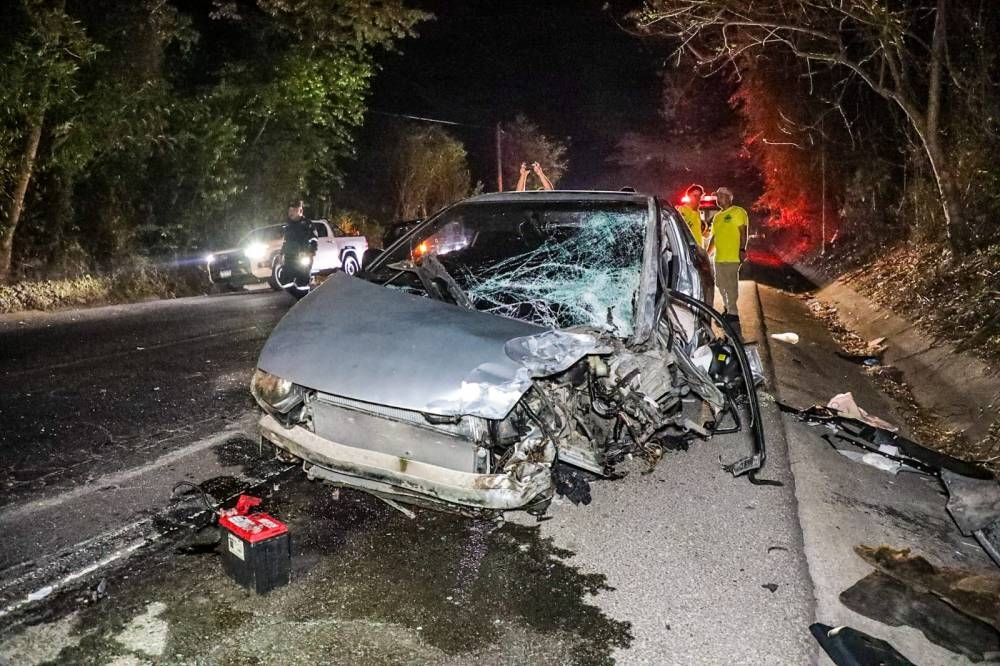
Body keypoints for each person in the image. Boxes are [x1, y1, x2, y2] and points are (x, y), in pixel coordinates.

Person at [706, 187, 748, 319]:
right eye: (717, 197)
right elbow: (714, 237)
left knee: (731, 285)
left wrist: (742, 249)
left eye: (721, 196)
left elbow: (743, 232)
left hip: (732, 256)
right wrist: (707, 254)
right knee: (719, 284)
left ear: (729, 197)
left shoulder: (738, 212)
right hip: (719, 257)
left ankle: (733, 312)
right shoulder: (717, 217)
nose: (718, 199)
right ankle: (728, 307)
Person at [279, 199, 318, 294]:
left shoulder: (307, 224)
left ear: (300, 211)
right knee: (284, 280)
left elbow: (314, 239)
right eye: (289, 210)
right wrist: (281, 253)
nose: (290, 213)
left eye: (293, 210)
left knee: (302, 283)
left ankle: (304, 300)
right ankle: (296, 297)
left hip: (302, 256)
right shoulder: (288, 226)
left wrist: (311, 252)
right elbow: (285, 241)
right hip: (289, 257)